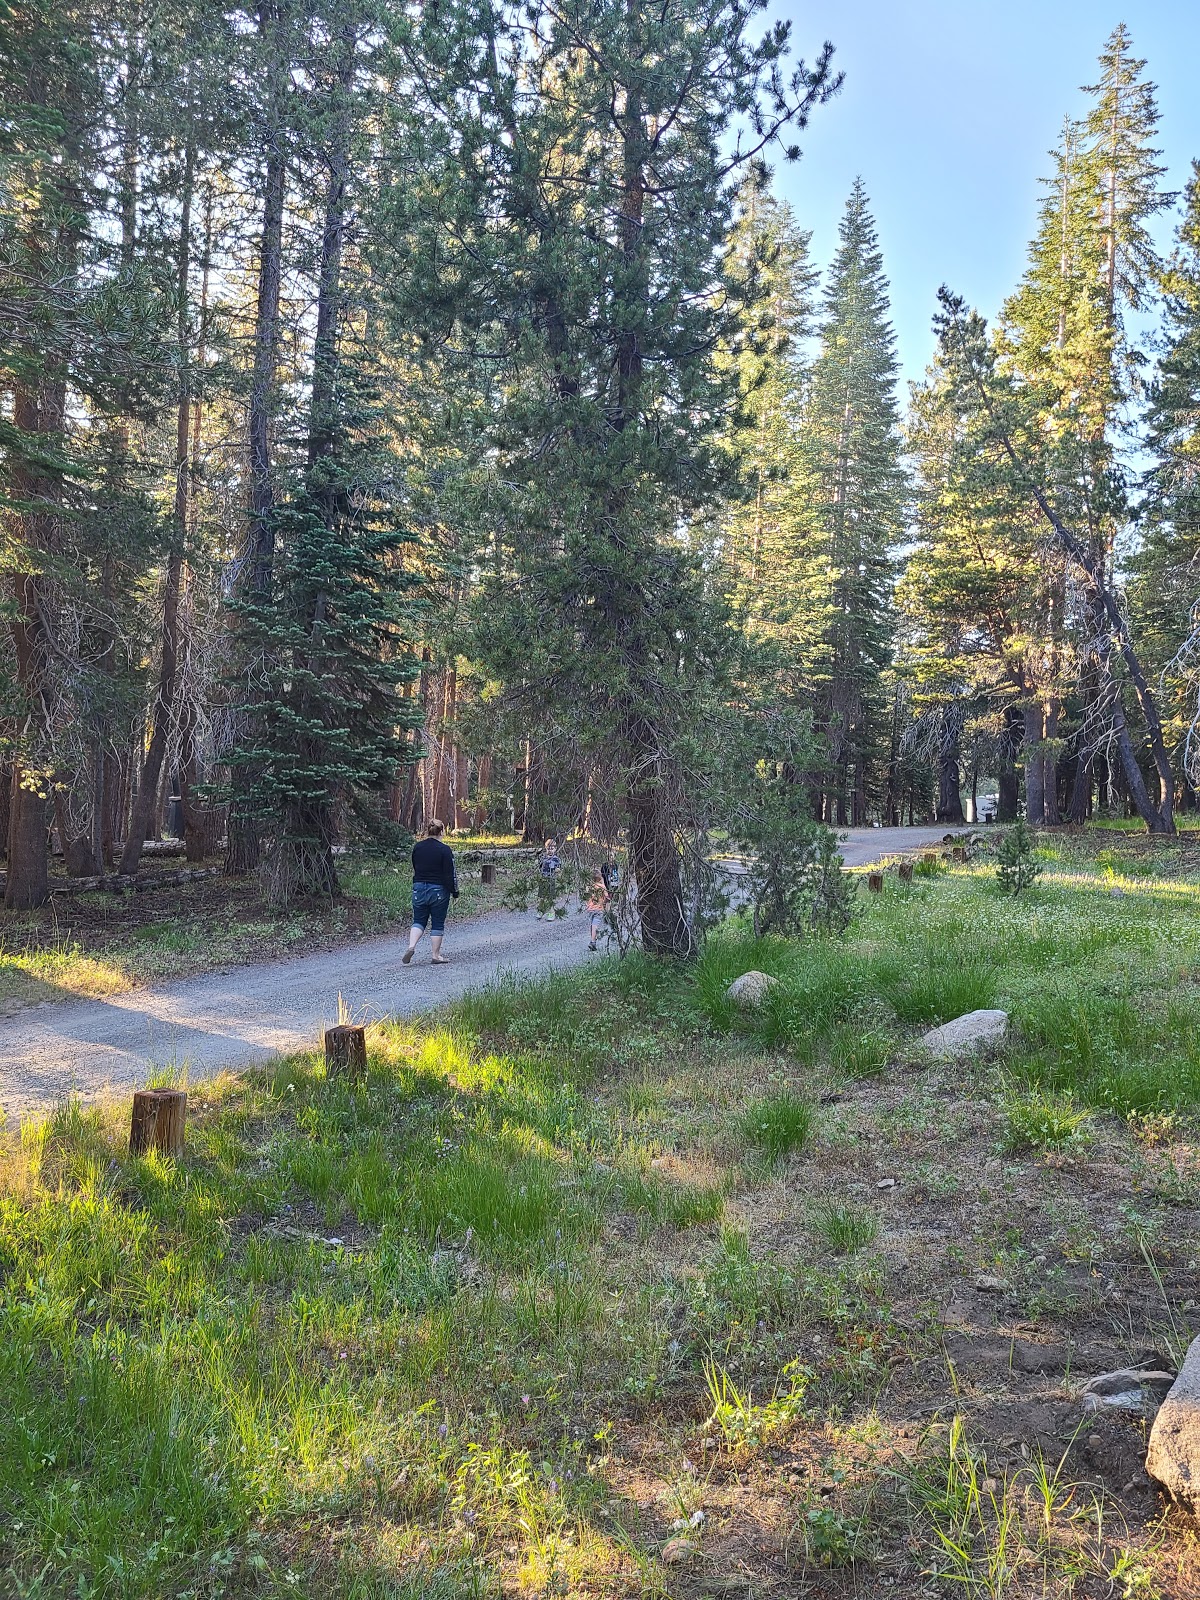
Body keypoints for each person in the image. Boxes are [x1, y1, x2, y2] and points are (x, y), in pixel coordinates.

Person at [402, 819, 459, 965]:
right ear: (442, 831)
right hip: (438, 890)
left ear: (428, 830)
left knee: (419, 920)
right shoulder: (445, 850)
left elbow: (415, 866)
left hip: (419, 888)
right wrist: (454, 891)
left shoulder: (418, 847)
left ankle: (411, 946)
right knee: (437, 923)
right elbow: (450, 873)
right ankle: (436, 955)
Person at [537, 837, 561, 920]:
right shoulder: (543, 858)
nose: (550, 850)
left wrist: (557, 870)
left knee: (550, 897)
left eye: (552, 848)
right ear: (546, 848)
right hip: (543, 879)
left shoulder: (556, 859)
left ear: (555, 849)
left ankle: (551, 912)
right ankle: (541, 910)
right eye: (548, 848)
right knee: (542, 897)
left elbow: (559, 868)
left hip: (551, 880)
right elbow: (540, 867)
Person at [586, 871, 609, 952]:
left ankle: (593, 940)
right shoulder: (602, 887)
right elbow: (607, 897)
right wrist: (605, 903)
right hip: (598, 908)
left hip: (590, 909)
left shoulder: (589, 887)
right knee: (595, 925)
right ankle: (592, 942)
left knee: (592, 925)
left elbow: (586, 896)